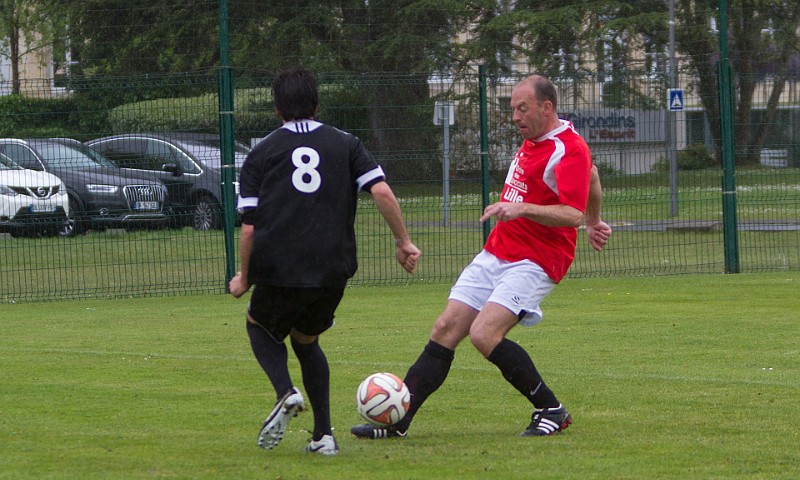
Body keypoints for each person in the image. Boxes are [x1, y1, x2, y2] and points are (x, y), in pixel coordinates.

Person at [351, 74, 612, 440]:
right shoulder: (534, 141)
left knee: (484, 334)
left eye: (523, 108)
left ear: (546, 107)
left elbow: (570, 212)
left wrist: (530, 210)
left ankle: (550, 409)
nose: (516, 117)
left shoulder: (568, 148)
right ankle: (399, 421)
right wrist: (595, 221)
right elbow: (594, 177)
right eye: (512, 110)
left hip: (537, 259)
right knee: (445, 329)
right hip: (498, 252)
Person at [230, 66, 421, 456]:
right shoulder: (346, 143)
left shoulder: (261, 153)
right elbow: (381, 191)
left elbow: (248, 229)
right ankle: (323, 437)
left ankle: (285, 393)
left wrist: (244, 276)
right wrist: (402, 241)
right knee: (306, 339)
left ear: (277, 109)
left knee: (259, 327)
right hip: (332, 267)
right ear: (316, 105)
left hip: (279, 266)